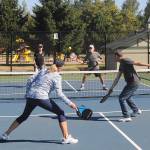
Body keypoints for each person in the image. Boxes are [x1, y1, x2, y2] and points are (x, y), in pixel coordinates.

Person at [0, 61, 78, 144]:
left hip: (31, 96)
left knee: (24, 116)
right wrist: (70, 103)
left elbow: (30, 80)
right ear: (61, 67)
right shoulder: (57, 76)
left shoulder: (43, 71)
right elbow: (60, 94)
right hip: (41, 97)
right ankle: (66, 138)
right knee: (61, 113)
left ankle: (5, 134)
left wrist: (27, 93)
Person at [106, 51, 150, 122]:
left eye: (114, 57)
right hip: (131, 82)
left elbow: (137, 63)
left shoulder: (125, 60)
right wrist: (111, 88)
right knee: (128, 97)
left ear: (117, 56)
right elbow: (117, 77)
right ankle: (136, 110)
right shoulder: (121, 64)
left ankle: (126, 116)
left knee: (121, 98)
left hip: (133, 82)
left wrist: (149, 65)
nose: (114, 59)